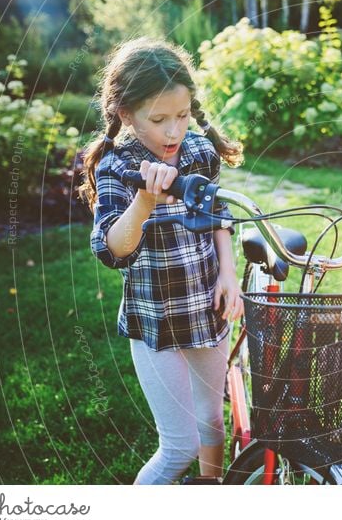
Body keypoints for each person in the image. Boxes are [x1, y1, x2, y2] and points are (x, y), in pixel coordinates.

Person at [78, 38, 244, 484]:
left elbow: (218, 216)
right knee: (179, 447)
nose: (174, 132)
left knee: (213, 423)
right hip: (155, 321)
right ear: (127, 115)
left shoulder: (198, 152)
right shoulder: (118, 165)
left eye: (183, 115)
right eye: (159, 120)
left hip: (206, 308)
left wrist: (228, 272)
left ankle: (210, 500)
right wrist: (144, 203)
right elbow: (112, 249)